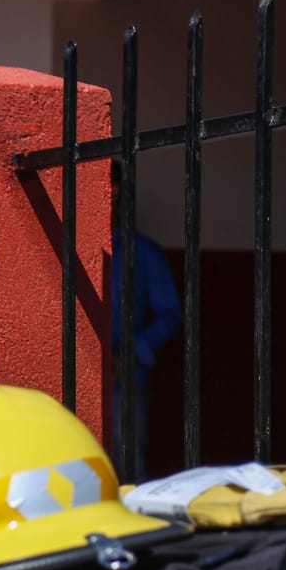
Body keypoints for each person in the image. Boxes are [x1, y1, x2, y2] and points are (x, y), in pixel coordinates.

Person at [109, 161, 181, 482]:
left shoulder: (143, 252)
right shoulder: (69, 247)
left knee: (127, 463)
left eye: (114, 192)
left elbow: (170, 314)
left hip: (126, 375)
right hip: (75, 369)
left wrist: (130, 354)